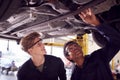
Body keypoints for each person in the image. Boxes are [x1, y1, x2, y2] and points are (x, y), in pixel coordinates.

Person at [63, 8, 120, 80]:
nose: (76, 48)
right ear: (69, 57)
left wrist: (96, 23)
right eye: (71, 48)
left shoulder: (98, 56)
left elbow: (116, 41)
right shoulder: (75, 76)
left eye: (76, 46)